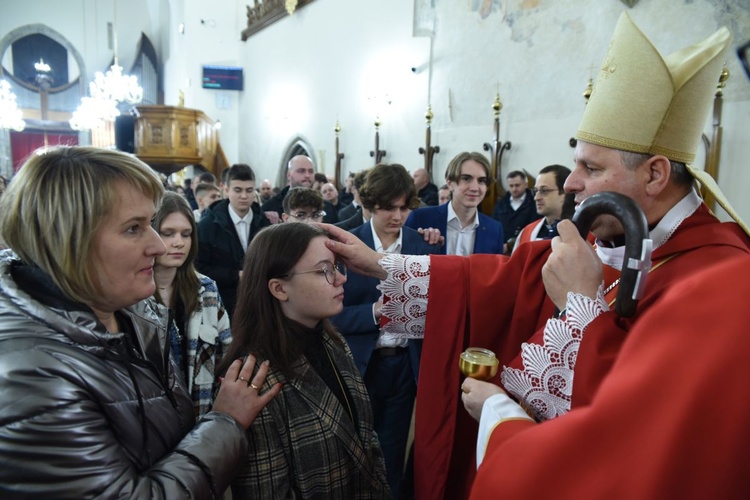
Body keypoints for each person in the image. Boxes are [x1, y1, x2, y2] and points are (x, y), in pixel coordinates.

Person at [322, 13, 750, 499]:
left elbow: (641, 438)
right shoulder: (605, 238)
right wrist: (377, 264)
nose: (571, 183)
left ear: (655, 175)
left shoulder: (721, 277)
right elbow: (493, 283)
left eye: (591, 167)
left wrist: (579, 314)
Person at [0, 146, 279, 498]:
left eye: (151, 223)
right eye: (134, 228)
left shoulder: (131, 310)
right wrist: (224, 422)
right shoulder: (33, 376)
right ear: (68, 239)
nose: (160, 246)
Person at [224, 223, 390, 499]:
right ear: (279, 288)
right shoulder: (254, 381)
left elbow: (366, 438)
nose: (340, 279)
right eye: (323, 270)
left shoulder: (333, 341)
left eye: (336, 267)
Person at [331, 163, 440, 496]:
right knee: (353, 449)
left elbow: (437, 308)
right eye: (389, 207)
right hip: (359, 364)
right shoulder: (345, 244)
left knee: (392, 453)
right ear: (369, 204)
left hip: (404, 364)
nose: (398, 215)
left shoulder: (424, 246)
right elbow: (330, 315)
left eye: (404, 207)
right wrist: (374, 313)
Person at [152, 191, 232, 419]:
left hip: (201, 412)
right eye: (168, 234)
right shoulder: (132, 294)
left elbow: (226, 353)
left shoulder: (206, 289)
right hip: (157, 418)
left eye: (186, 234)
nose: (178, 242)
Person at [197, 163, 270, 318]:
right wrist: (236, 275)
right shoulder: (208, 225)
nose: (244, 196)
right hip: (223, 304)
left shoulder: (265, 224)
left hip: (259, 303)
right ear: (226, 190)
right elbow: (200, 268)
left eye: (249, 190)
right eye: (238, 190)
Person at [405, 152, 504, 256]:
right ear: (450, 183)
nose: (474, 188)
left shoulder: (495, 230)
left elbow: (495, 271)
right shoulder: (420, 218)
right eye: (466, 179)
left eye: (481, 181)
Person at [511, 164, 574, 253]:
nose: (536, 198)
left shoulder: (583, 233)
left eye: (544, 191)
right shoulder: (527, 232)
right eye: (536, 191)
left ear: (564, 193)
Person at [263, 155, 338, 223]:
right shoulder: (270, 207)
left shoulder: (327, 207)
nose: (307, 175)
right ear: (289, 175)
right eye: (301, 171)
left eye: (311, 171)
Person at [492, 170, 540, 253]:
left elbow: (535, 228)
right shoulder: (501, 203)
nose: (514, 189)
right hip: (500, 249)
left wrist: (510, 245)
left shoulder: (535, 203)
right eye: (511, 186)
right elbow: (493, 225)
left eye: (517, 185)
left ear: (525, 185)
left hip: (524, 249)